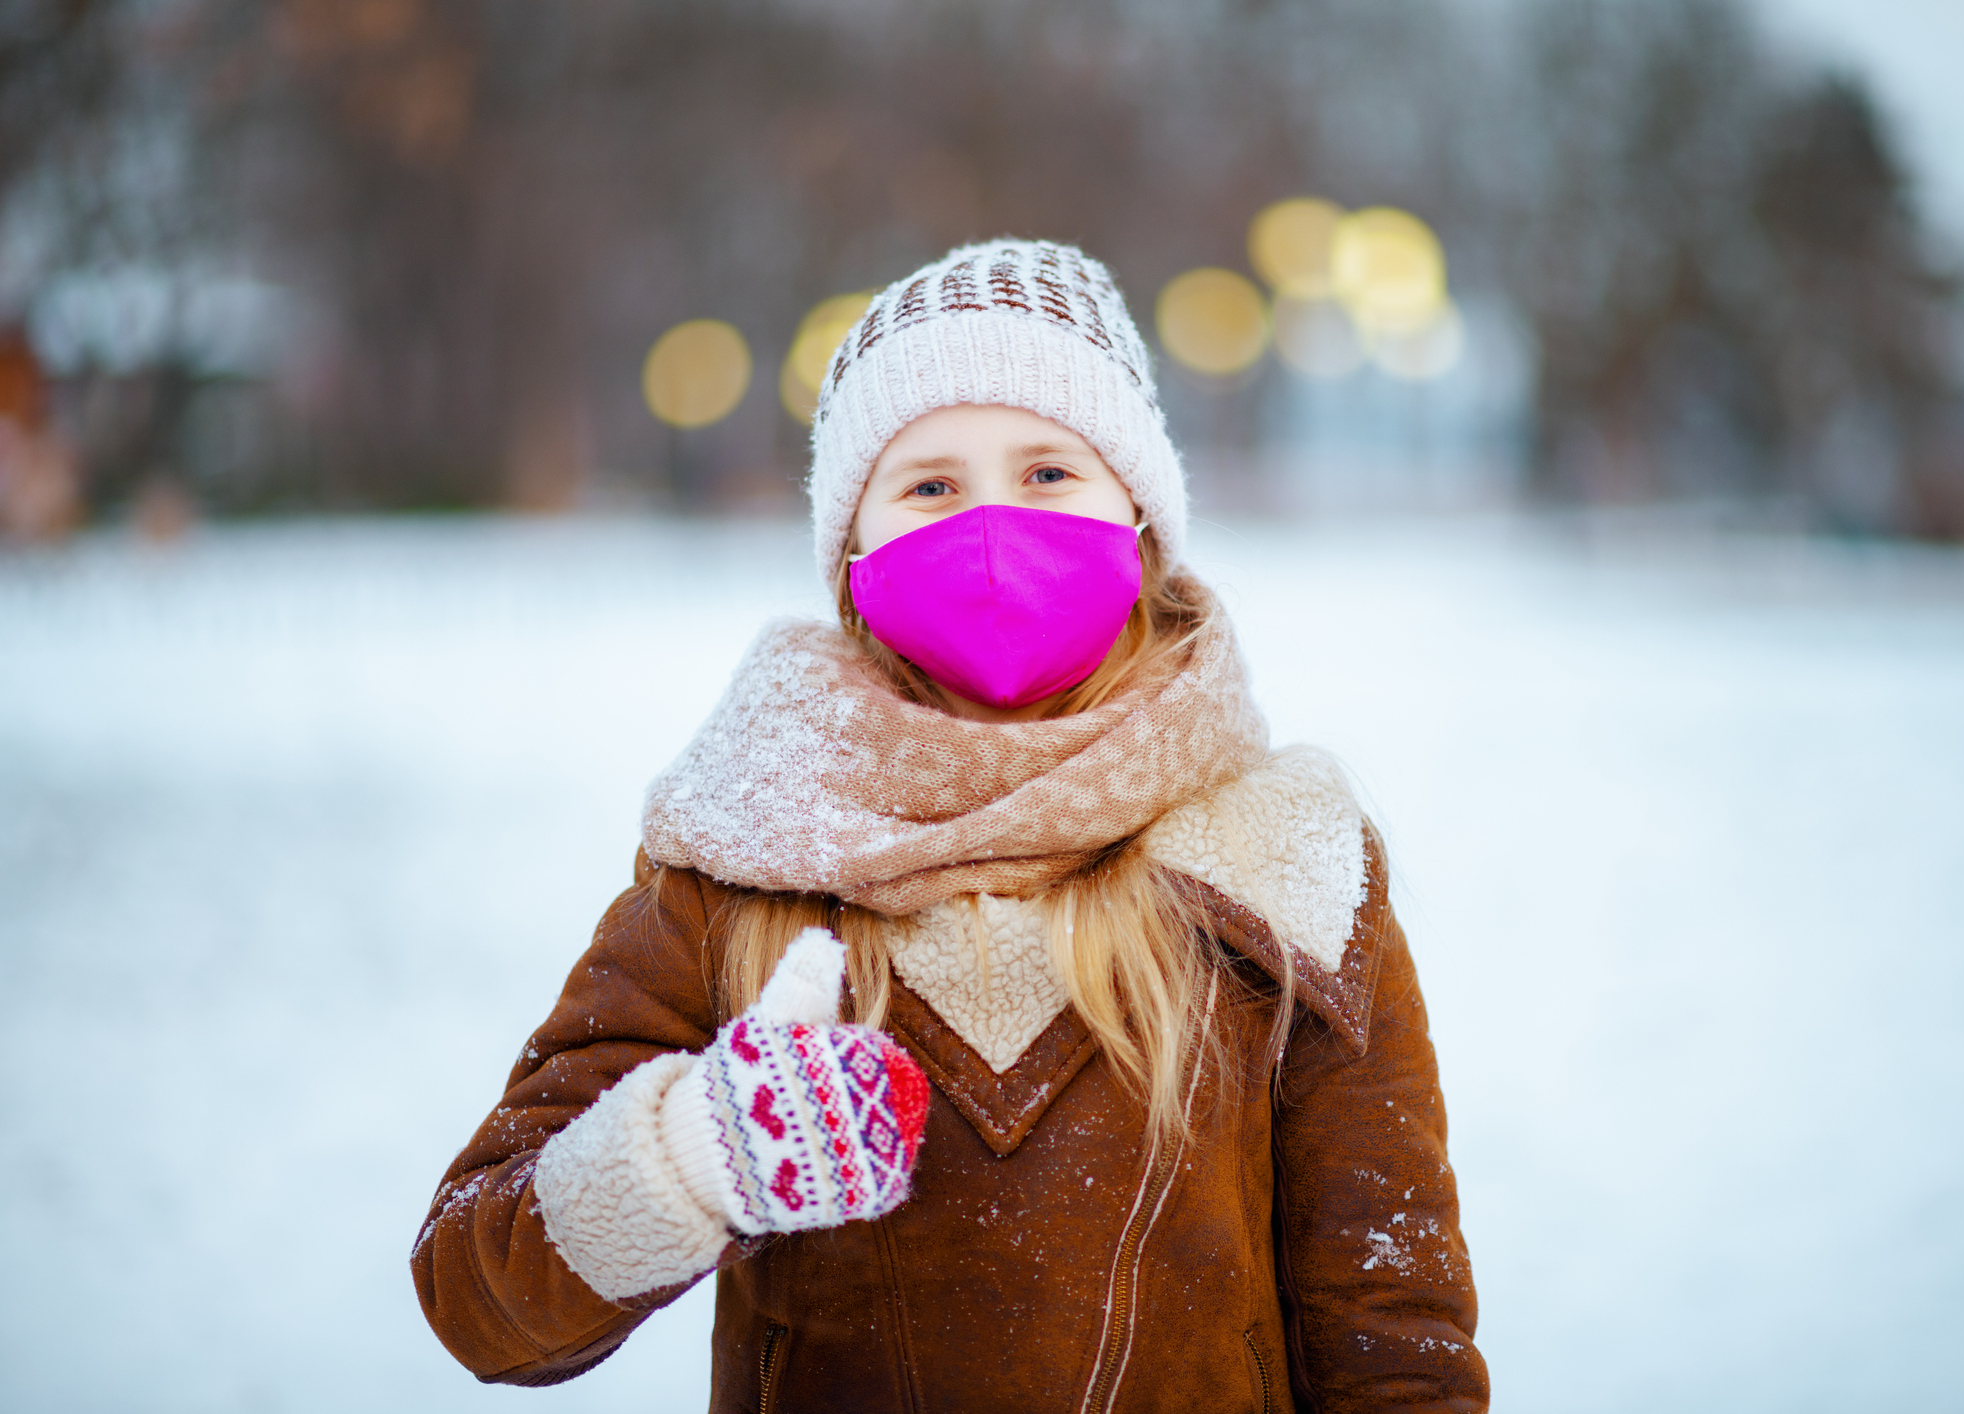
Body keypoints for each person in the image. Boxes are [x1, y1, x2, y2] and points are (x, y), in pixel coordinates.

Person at [413, 239, 1488, 1413]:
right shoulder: (746, 858)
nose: (992, 527)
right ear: (855, 550)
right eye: (929, 485)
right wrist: (692, 1156)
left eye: (1048, 472)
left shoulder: (1283, 858)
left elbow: (1395, 1340)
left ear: (1139, 510)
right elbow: (478, 1288)